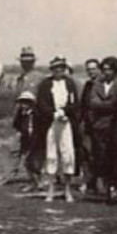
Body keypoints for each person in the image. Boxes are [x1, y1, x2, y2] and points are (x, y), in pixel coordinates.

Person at [35, 56, 81, 203]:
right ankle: (51, 191)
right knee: (52, 155)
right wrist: (53, 113)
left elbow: (74, 103)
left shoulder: (69, 83)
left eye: (61, 67)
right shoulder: (46, 84)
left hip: (66, 122)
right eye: (56, 68)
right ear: (52, 70)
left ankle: (67, 190)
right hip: (51, 123)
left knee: (67, 154)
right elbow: (41, 103)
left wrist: (65, 113)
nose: (59, 70)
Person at [84, 55, 117, 203]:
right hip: (100, 127)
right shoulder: (97, 84)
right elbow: (93, 102)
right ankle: (108, 189)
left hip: (116, 126)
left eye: (109, 69)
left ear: (115, 70)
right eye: (104, 69)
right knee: (102, 157)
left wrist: (105, 105)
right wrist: (109, 105)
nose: (106, 72)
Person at [6, 46, 45, 190]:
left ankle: (37, 179)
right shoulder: (19, 78)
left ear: (33, 62)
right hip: (20, 117)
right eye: (23, 61)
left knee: (33, 149)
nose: (26, 63)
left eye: (29, 61)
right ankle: (10, 175)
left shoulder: (40, 78)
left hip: (34, 117)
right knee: (16, 147)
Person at [79, 58, 102, 193]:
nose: (91, 72)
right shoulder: (88, 85)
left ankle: (104, 183)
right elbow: (83, 105)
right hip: (88, 124)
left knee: (101, 154)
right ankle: (89, 183)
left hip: (101, 124)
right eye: (89, 70)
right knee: (86, 153)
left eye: (93, 69)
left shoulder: (103, 84)